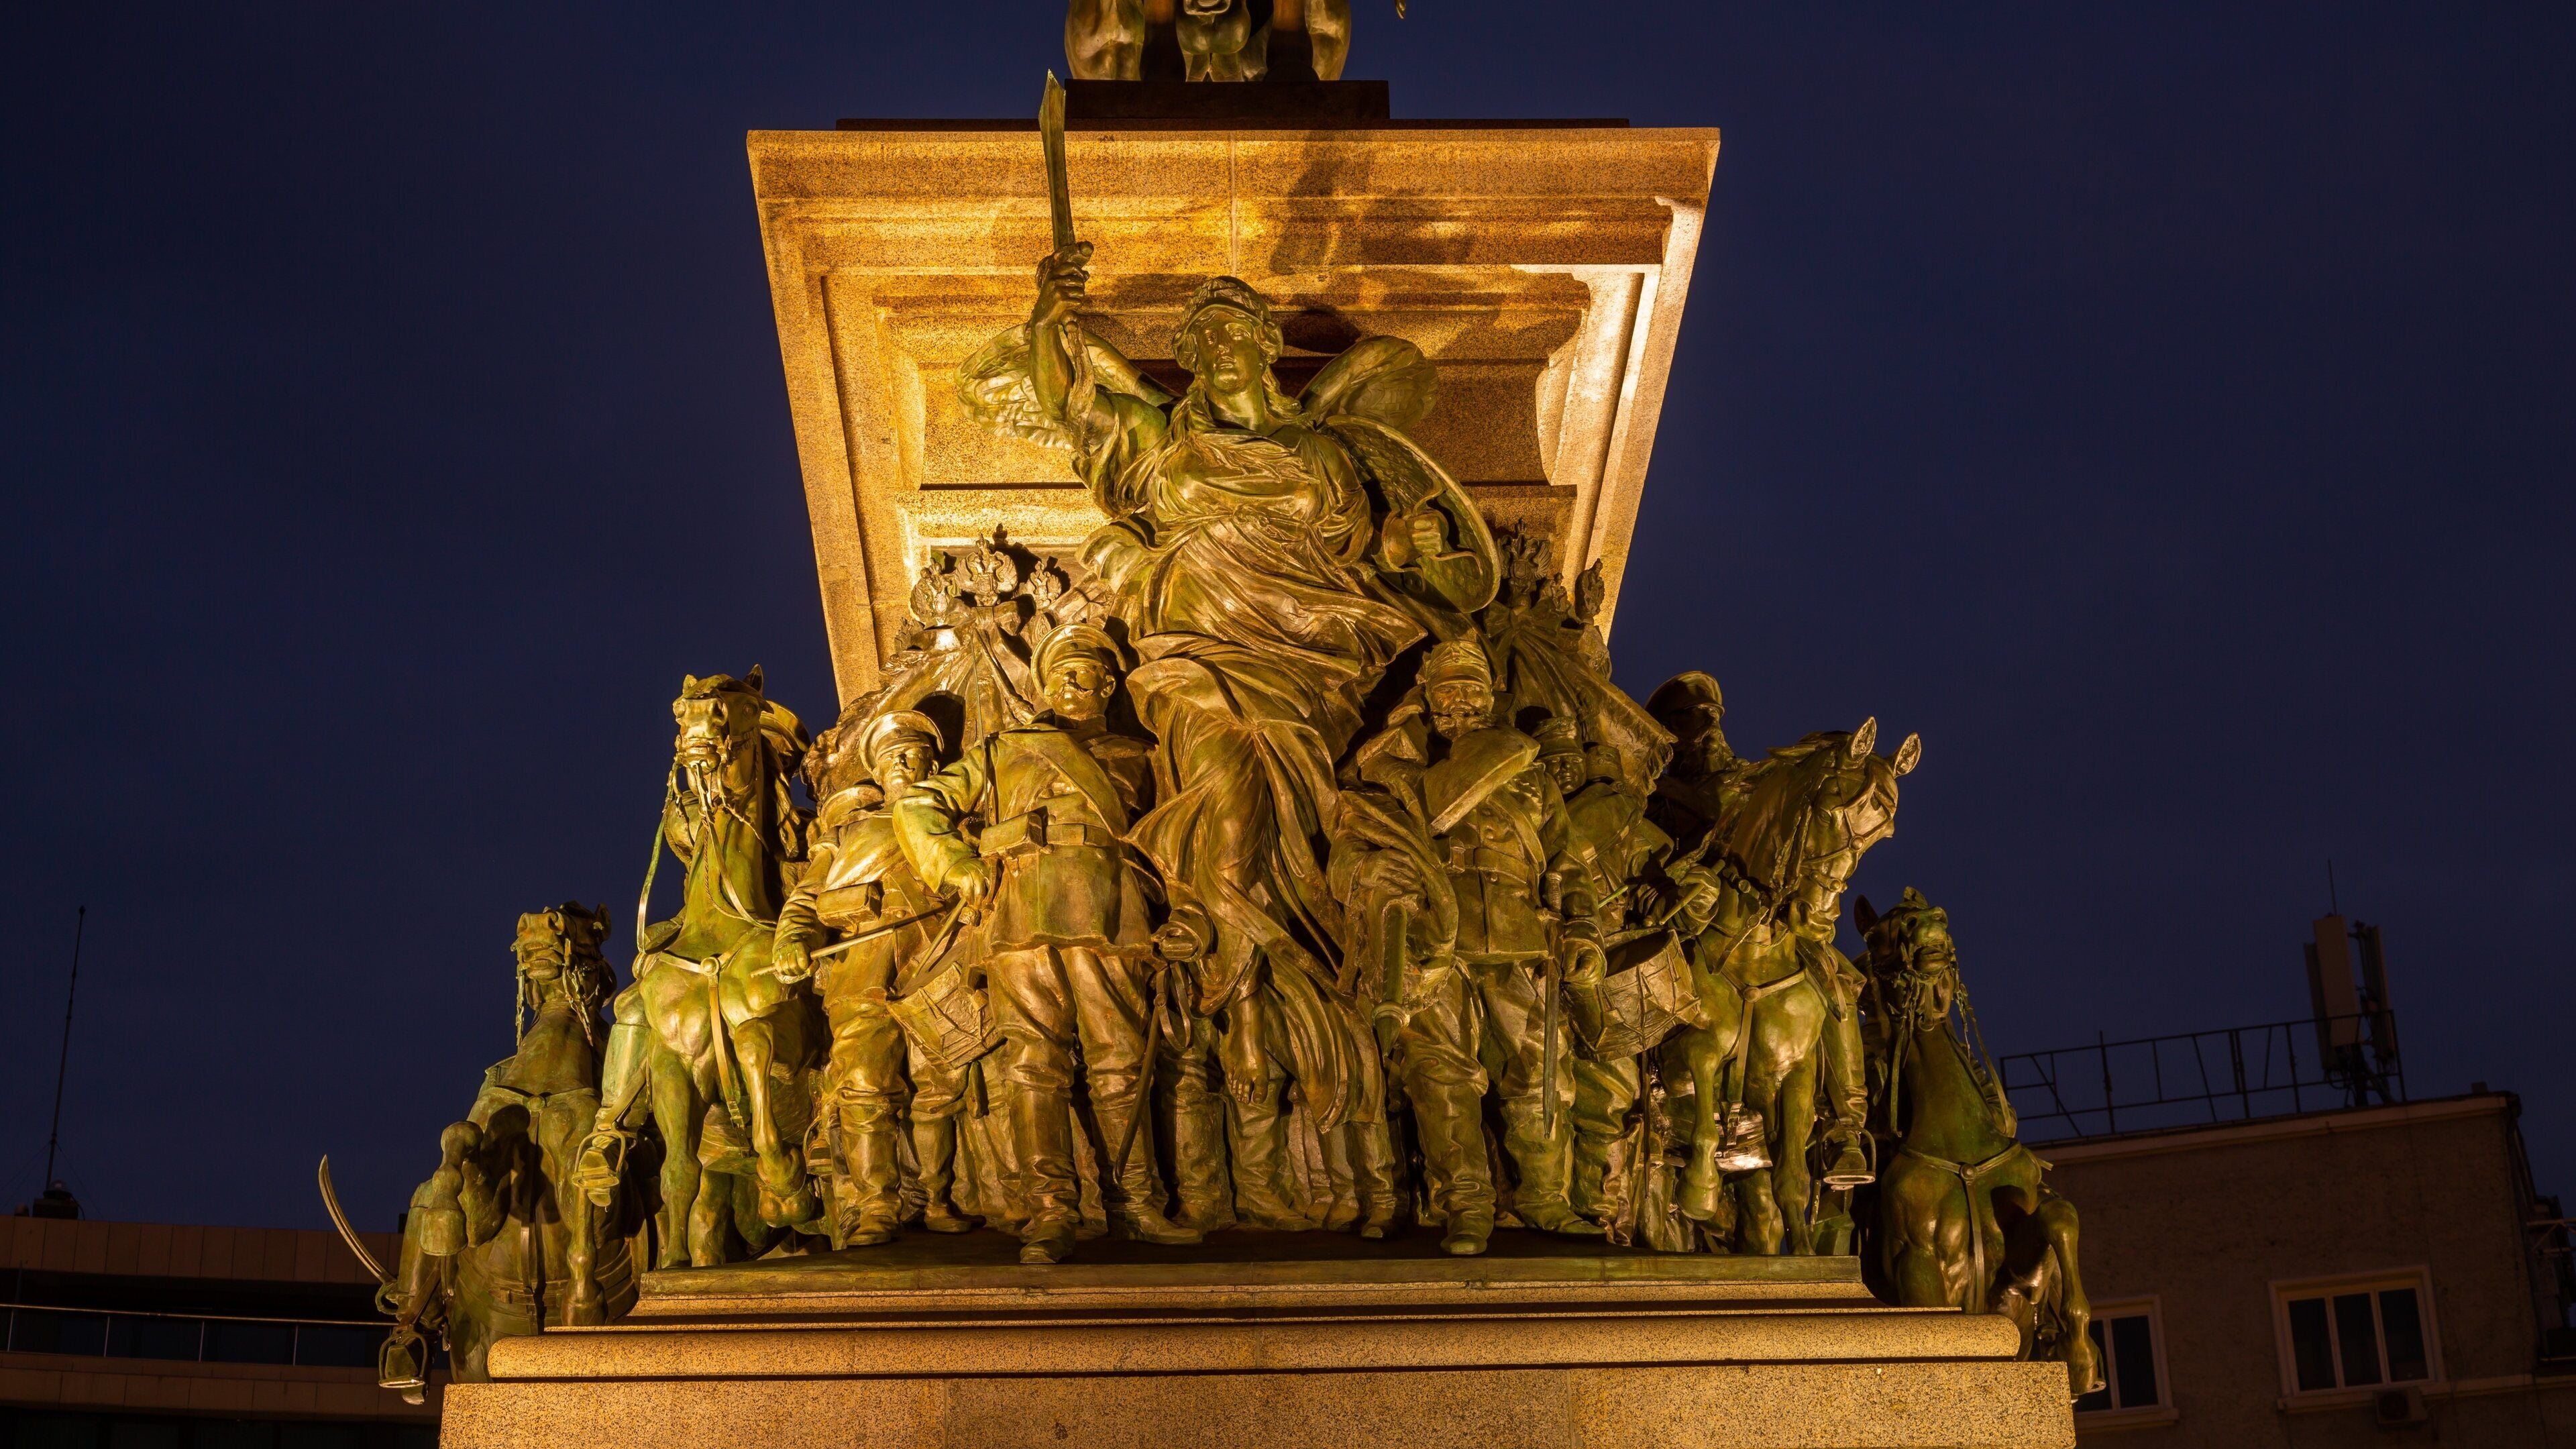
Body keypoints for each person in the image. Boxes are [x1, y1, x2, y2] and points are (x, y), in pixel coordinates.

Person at [896, 624, 1201, 1264]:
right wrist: (954, 864)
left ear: (1108, 684)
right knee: (1035, 1067)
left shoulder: (1142, 754)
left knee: (1121, 1061)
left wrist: (1189, 912)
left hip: (1111, 911)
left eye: (1083, 673)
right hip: (1022, 914)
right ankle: (1051, 1211)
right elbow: (919, 805)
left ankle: (1136, 1203)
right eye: (1059, 674)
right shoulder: (1007, 747)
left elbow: (1180, 837)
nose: (1070, 684)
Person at [773, 710, 977, 1246]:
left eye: (913, 755)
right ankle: (877, 1208)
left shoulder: (952, 819)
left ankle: (936, 1198)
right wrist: (793, 939)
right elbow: (807, 897)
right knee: (865, 1086)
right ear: (879, 775)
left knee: (939, 1083)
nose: (902, 765)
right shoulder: (847, 831)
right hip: (863, 967)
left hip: (937, 955)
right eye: (890, 759)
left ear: (935, 766)